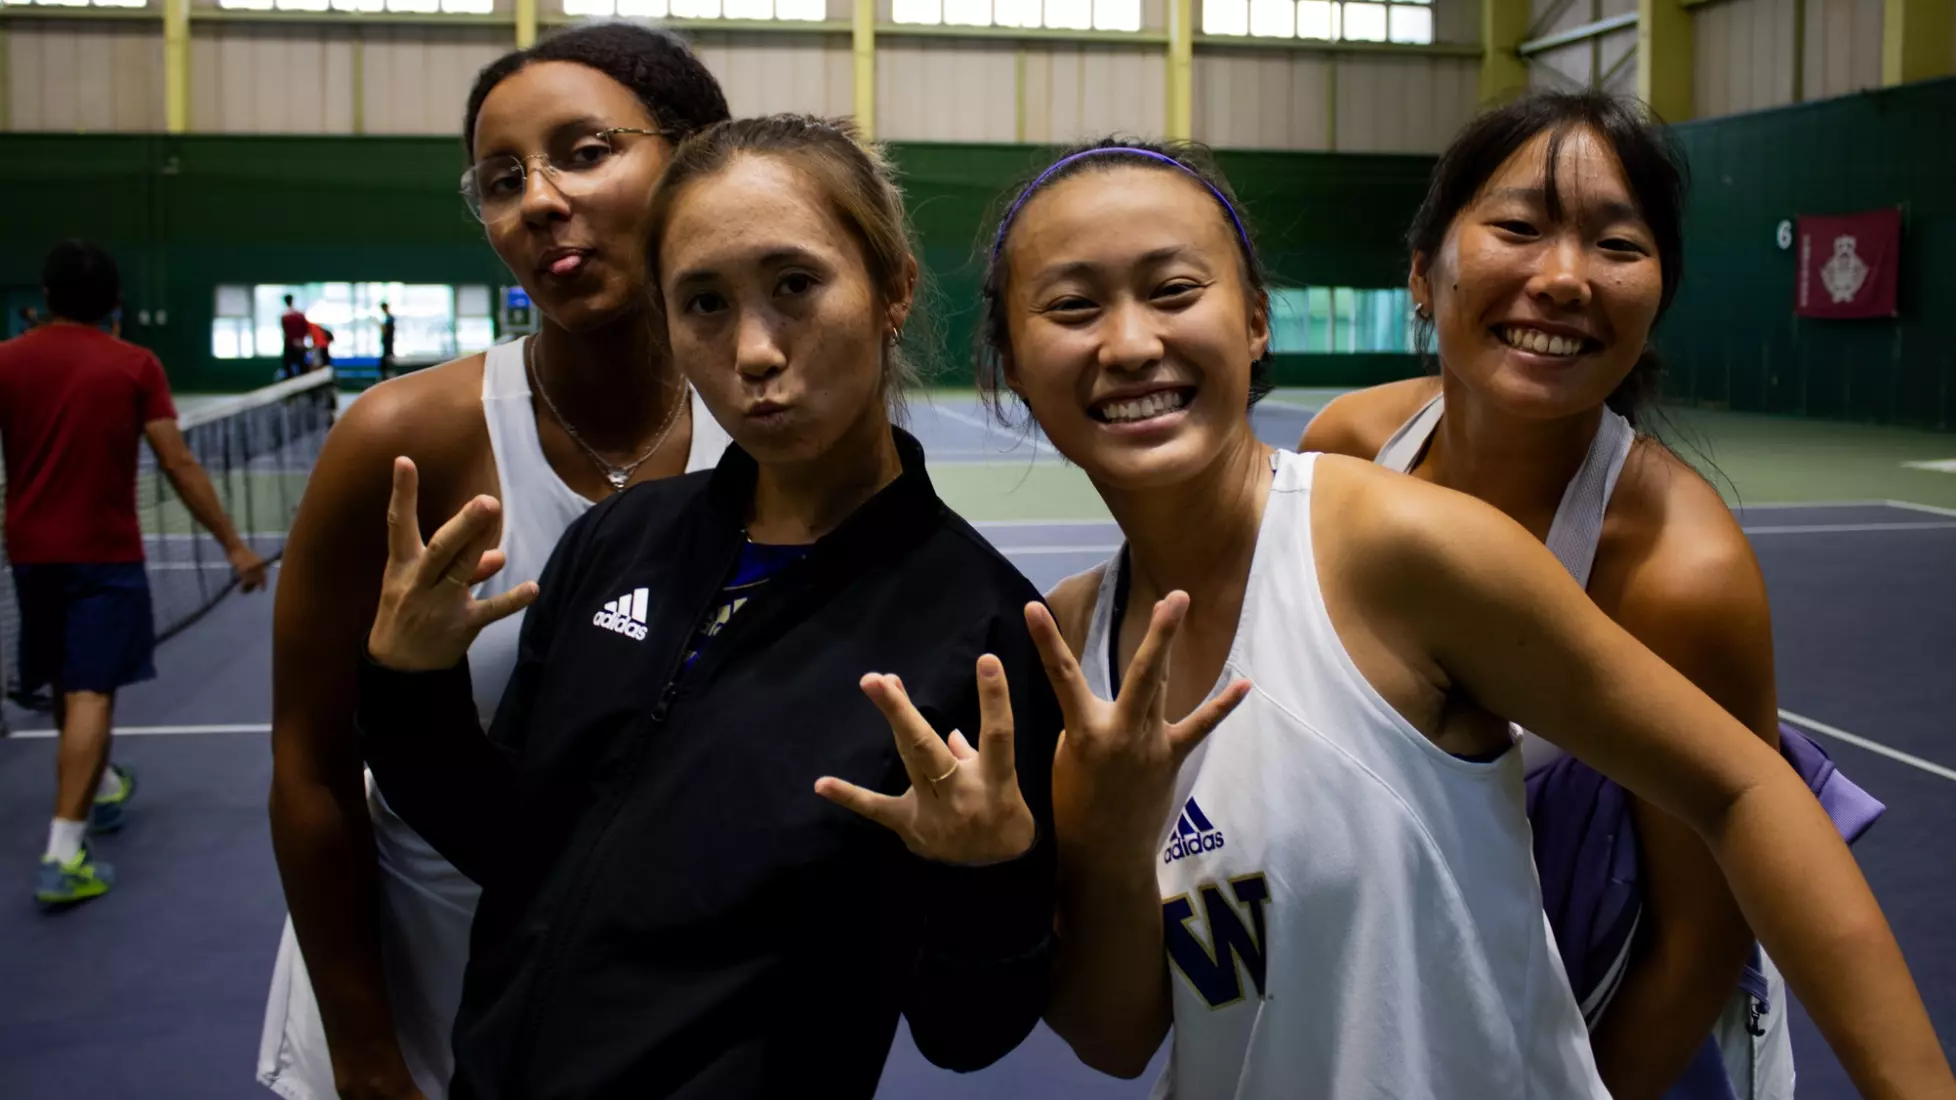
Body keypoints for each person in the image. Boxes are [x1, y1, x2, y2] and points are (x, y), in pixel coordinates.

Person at [973, 139, 1955, 1099]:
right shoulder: (1074, 647)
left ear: (1257, 320)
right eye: (1072, 306)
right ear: (1014, 361)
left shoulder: (1397, 547)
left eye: (1175, 290)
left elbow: (1744, 789)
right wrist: (1105, 837)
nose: (1132, 340)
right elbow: (1115, 1035)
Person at [357, 114, 1060, 1099]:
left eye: (795, 285)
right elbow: (515, 845)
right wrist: (409, 687)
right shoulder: (618, 540)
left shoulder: (981, 632)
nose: (756, 349)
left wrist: (989, 876)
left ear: (893, 287)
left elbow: (966, 1031)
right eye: (705, 302)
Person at [1300, 90, 1884, 1100]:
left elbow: (1700, 941)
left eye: (1616, 243)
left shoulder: (1677, 574)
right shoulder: (1349, 453)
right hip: (1409, 998)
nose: (1563, 278)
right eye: (1518, 229)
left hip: (1618, 1028)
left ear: (1657, 290)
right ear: (1422, 275)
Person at [259, 25, 734, 1100]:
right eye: (502, 178)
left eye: (585, 149)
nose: (540, 200)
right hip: (419, 1003)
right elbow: (309, 769)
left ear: (698, 157)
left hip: (651, 1009)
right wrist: (368, 1058)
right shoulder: (398, 443)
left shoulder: (770, 441)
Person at [0, 239, 267, 908]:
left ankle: (103, 782)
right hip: (103, 555)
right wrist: (233, 544)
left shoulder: (8, 361)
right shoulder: (135, 365)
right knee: (92, 691)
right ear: (115, 303)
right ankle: (64, 855)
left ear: (46, 298)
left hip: (29, 554)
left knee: (67, 677)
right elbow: (178, 464)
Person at [280, 294, 309, 381]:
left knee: (294, 366)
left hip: (291, 344)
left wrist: (296, 340)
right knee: (297, 366)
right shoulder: (298, 315)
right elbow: (305, 329)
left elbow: (287, 330)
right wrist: (300, 340)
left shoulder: (286, 316)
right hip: (296, 343)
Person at [379, 301, 397, 380]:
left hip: (388, 343)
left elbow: (387, 331)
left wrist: (383, 328)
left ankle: (388, 375)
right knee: (385, 360)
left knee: (388, 359)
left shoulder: (390, 319)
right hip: (386, 343)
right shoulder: (387, 318)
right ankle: (386, 375)